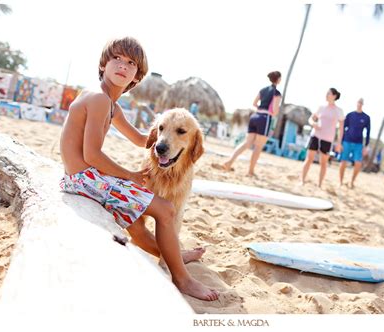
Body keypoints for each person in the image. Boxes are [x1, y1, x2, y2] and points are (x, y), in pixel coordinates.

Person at [59, 37, 218, 301]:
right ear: (103, 63)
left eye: (131, 62)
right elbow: (92, 154)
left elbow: (140, 140)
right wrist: (130, 175)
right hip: (83, 179)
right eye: (117, 59)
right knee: (166, 210)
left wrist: (164, 130)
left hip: (83, 177)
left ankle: (173, 256)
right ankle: (182, 279)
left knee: (137, 225)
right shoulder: (99, 99)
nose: (123, 65)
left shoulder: (112, 105)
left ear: (138, 74)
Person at [222, 71, 282, 176]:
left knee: (247, 143)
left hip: (254, 116)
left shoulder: (262, 90)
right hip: (265, 118)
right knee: (258, 146)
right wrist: (271, 112)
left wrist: (261, 108)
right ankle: (250, 171)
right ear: (278, 79)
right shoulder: (277, 93)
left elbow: (254, 103)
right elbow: (275, 111)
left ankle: (229, 162)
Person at [301, 88, 345, 187]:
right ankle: (302, 181)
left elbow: (341, 128)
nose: (326, 95)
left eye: (328, 93)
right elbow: (311, 119)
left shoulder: (339, 111)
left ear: (334, 96)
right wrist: (313, 124)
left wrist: (339, 143)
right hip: (315, 136)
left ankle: (320, 184)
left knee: (323, 163)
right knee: (309, 159)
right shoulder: (321, 107)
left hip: (328, 139)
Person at [338, 98, 371, 188]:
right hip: (347, 141)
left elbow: (368, 133)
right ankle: (340, 181)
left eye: (361, 103)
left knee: (358, 163)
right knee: (343, 161)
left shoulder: (366, 118)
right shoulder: (350, 115)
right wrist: (340, 142)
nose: (359, 104)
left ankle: (352, 181)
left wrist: (366, 146)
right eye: (358, 102)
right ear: (356, 103)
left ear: (363, 104)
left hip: (358, 143)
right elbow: (343, 128)